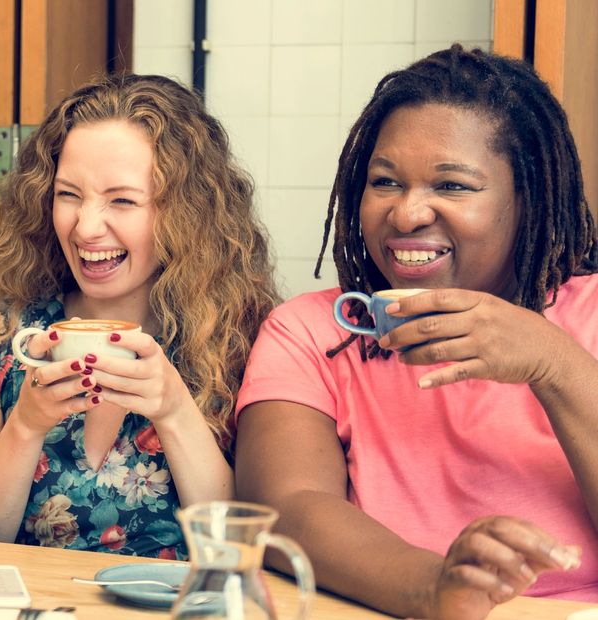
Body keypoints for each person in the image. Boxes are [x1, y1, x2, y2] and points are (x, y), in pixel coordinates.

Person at [235, 46, 598, 618]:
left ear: (526, 199)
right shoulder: (313, 331)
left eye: (451, 186)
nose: (406, 215)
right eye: (385, 182)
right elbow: (285, 506)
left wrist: (553, 363)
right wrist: (436, 589)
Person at [0, 74, 279, 556]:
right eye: (68, 195)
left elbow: (239, 553)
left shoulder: (245, 341)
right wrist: (25, 426)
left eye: (122, 200)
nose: (85, 227)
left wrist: (174, 411)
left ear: (187, 212)